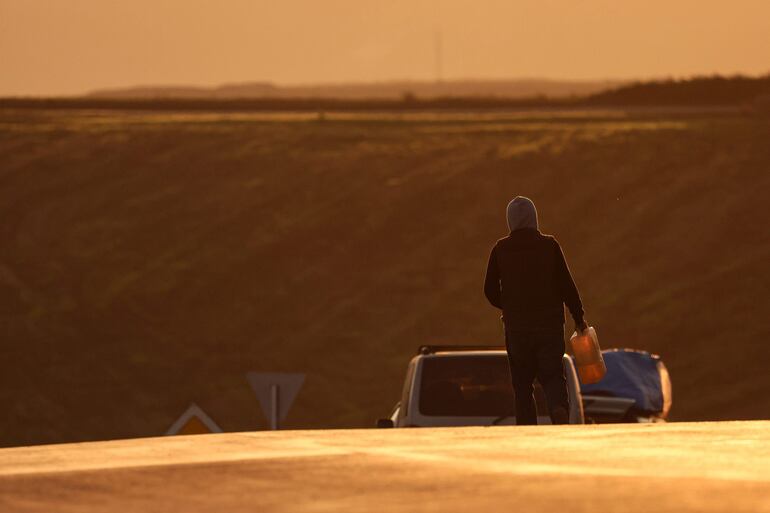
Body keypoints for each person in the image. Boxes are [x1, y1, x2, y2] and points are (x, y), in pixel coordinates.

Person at [483, 196, 587, 425]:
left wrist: (509, 306)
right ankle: (558, 409)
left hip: (517, 328)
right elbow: (567, 285)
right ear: (534, 218)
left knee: (522, 383)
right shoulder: (550, 246)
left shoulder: (501, 249)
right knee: (552, 377)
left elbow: (489, 290)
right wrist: (579, 318)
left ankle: (526, 428)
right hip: (549, 325)